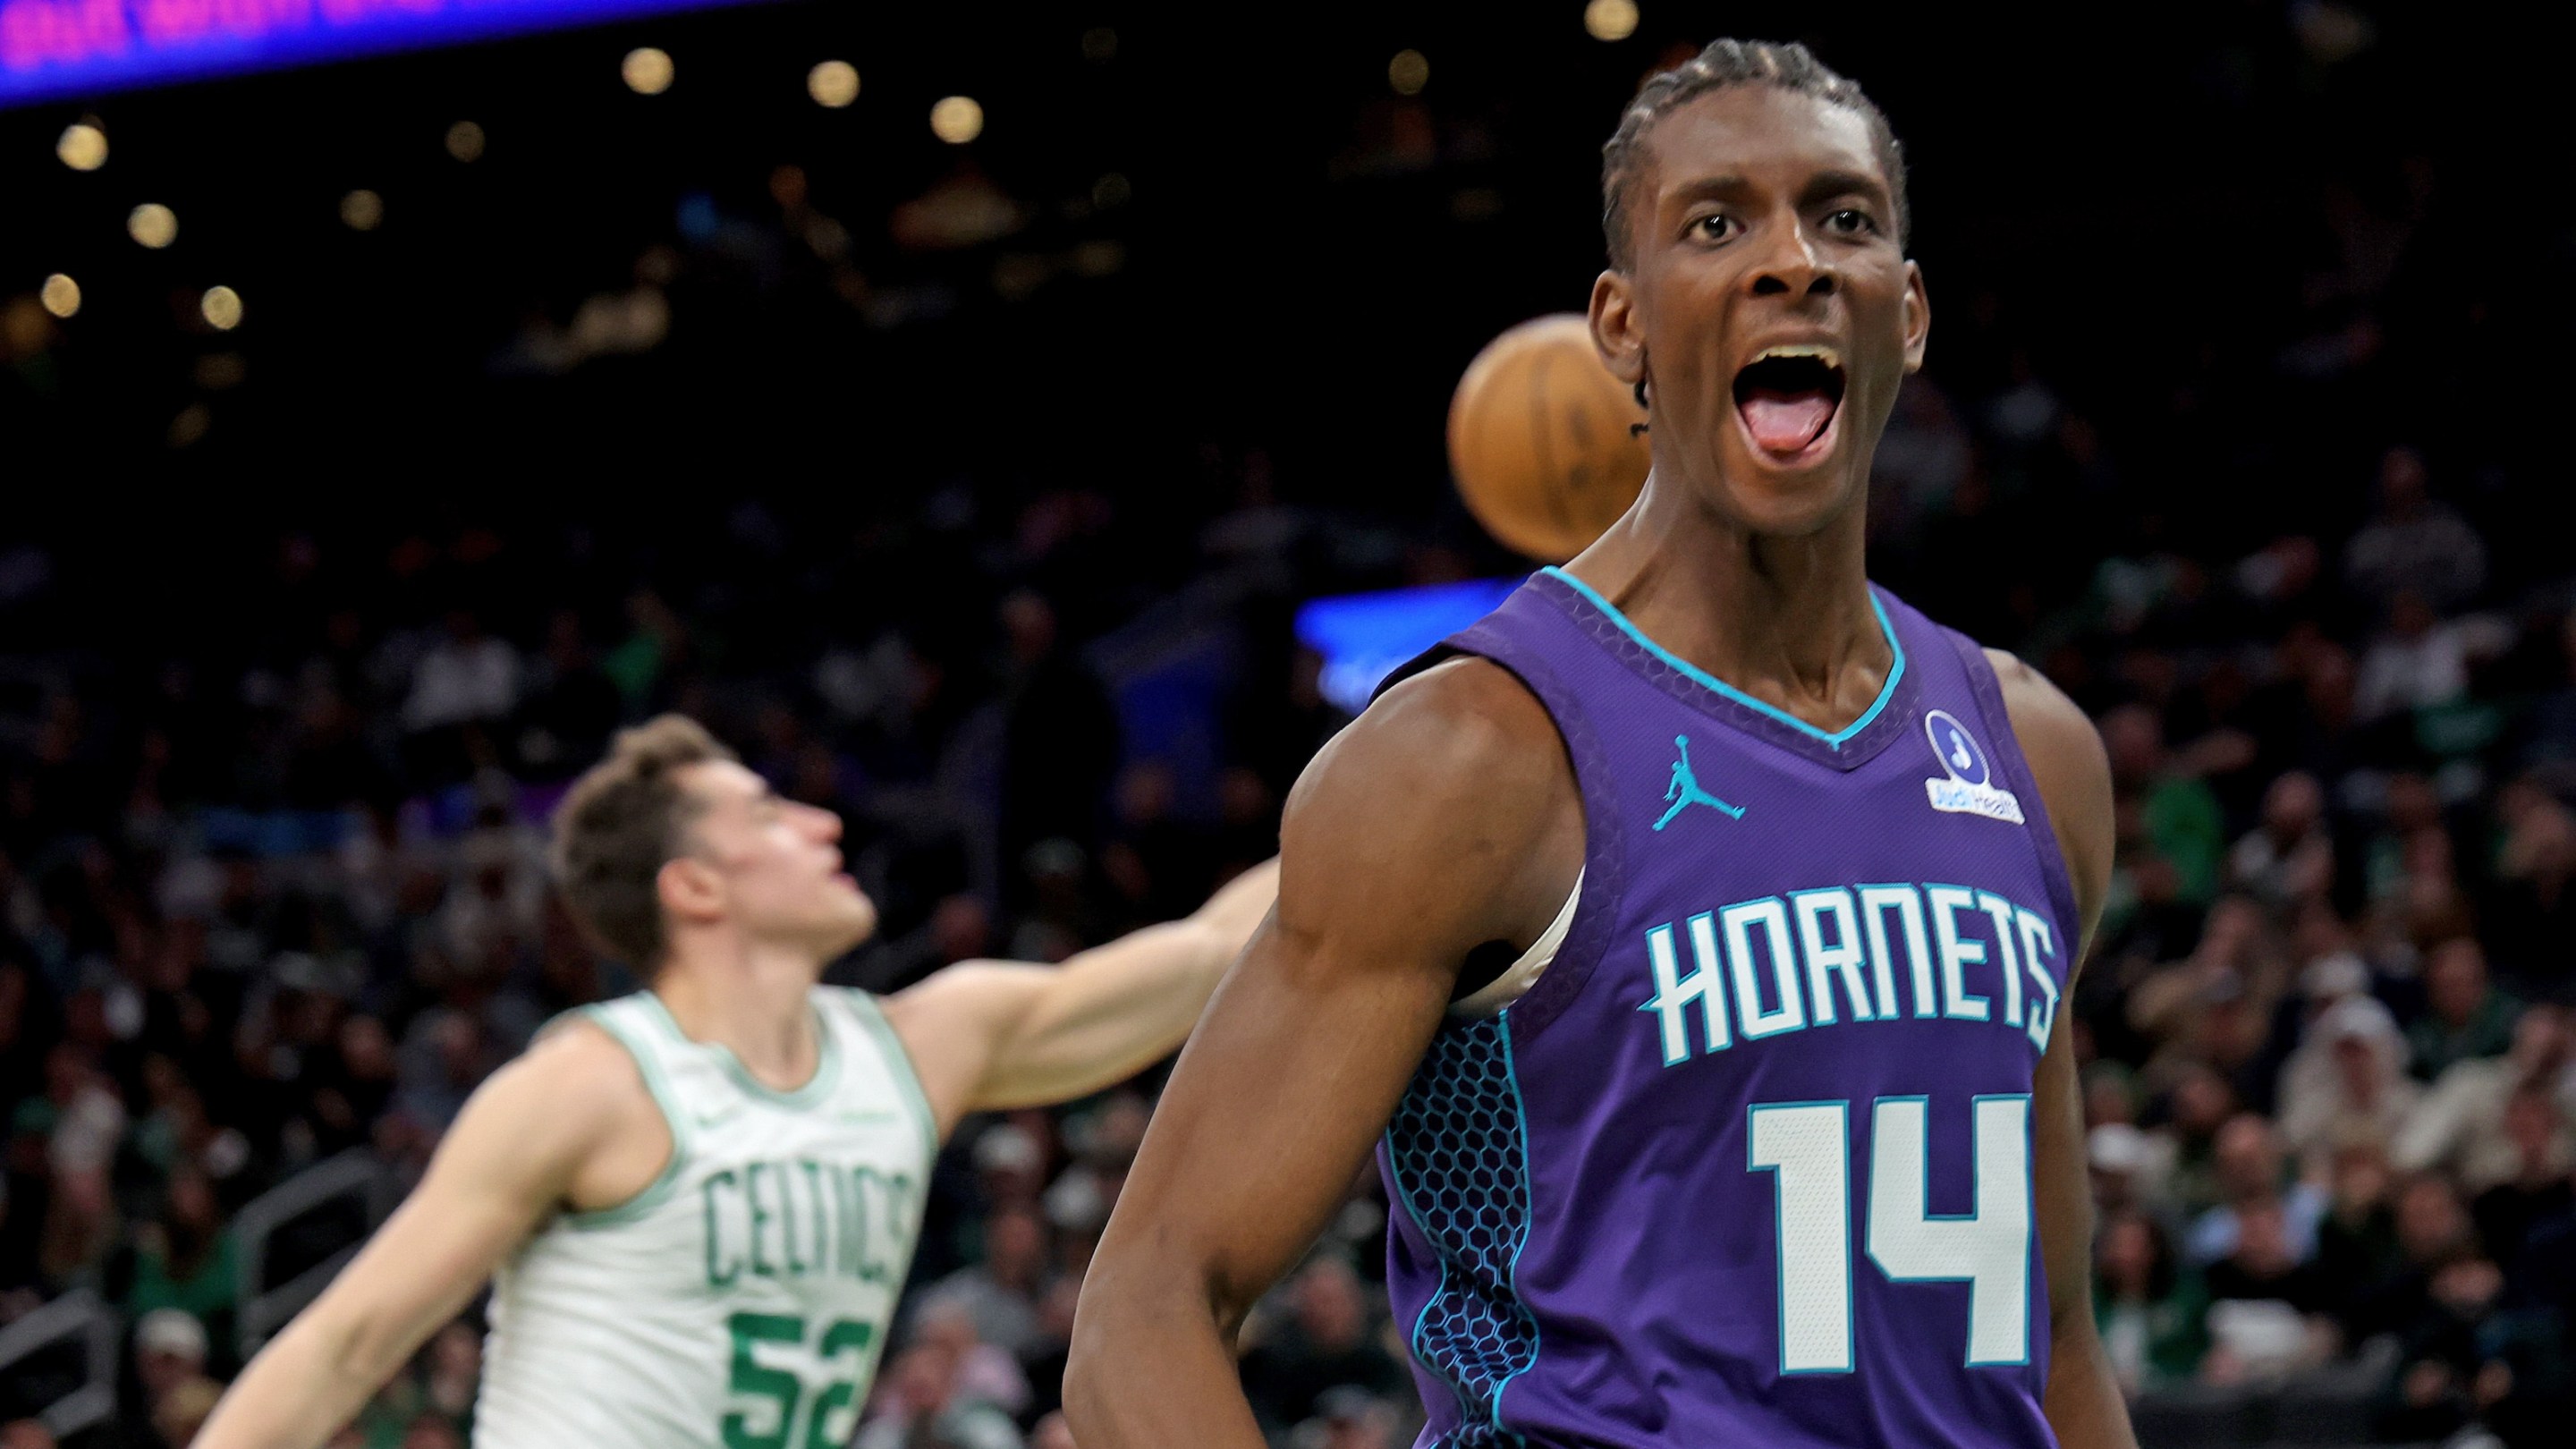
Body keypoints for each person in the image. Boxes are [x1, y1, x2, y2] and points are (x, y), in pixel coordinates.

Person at [1067, 38, 2134, 1449]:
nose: (1793, 260)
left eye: (1844, 219)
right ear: (1621, 327)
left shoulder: (2033, 757)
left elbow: (2051, 1342)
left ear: (1909, 310)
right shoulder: (1471, 757)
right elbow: (1144, 1311)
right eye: (1716, 222)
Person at [194, 715, 1276, 1449]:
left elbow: (1198, 957)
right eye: (769, 814)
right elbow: (345, 1346)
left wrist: (1415, 762)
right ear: (696, 885)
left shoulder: (917, 1049)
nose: (822, 823)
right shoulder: (592, 1083)